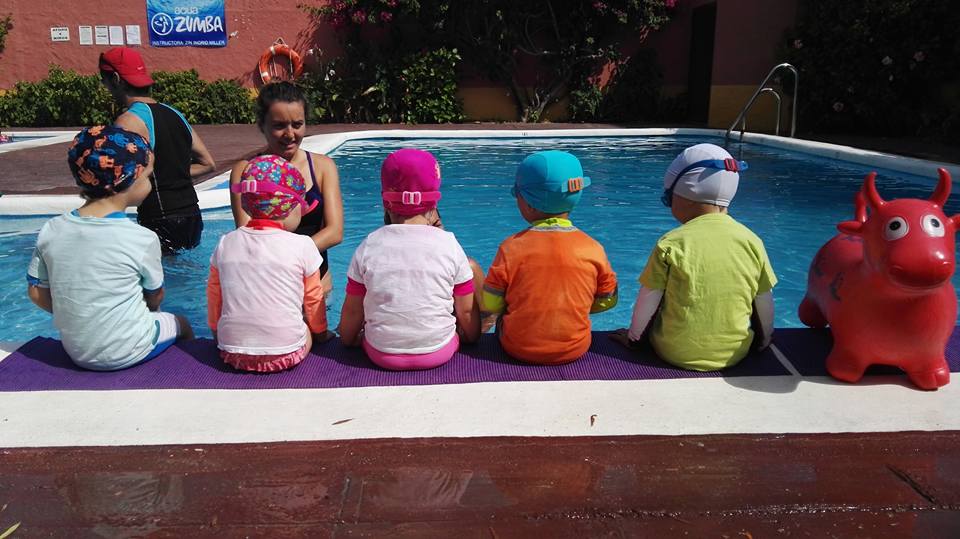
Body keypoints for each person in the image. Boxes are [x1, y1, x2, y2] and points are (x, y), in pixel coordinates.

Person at [26, 125, 194, 371]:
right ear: (129, 179)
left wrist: (80, 320)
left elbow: (36, 293)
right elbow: (155, 295)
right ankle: (185, 369)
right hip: (130, 348)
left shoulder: (52, 229)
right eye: (148, 176)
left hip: (76, 352)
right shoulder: (141, 238)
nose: (150, 183)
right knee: (181, 323)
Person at [611, 143, 777, 371]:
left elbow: (649, 298)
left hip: (673, 352)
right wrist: (764, 340)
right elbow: (763, 299)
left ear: (685, 196)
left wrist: (634, 338)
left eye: (669, 198)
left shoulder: (671, 242)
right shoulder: (752, 241)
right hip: (734, 354)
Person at [338, 148, 482, 371]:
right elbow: (465, 311)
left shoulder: (369, 245)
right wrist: (470, 338)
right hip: (438, 352)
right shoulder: (449, 244)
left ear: (385, 202)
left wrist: (349, 340)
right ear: (434, 203)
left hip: (382, 355)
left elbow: (353, 311)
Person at [481, 150, 618, 365]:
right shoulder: (593, 248)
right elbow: (608, 300)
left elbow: (491, 303)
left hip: (518, 347)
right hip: (575, 348)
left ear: (528, 203)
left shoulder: (510, 248)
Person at [208, 155, 331, 372]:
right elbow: (313, 300)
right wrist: (321, 334)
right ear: (290, 207)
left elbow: (214, 295)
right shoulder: (303, 245)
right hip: (287, 354)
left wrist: (218, 335)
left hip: (231, 354)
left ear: (245, 204)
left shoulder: (225, 243)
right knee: (305, 326)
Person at [230, 82, 343, 296]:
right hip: (269, 286)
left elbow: (335, 232)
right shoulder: (245, 171)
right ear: (262, 125)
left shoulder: (322, 167)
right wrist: (291, 257)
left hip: (315, 285)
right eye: (279, 125)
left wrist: (289, 256)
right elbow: (245, 231)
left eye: (297, 124)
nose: (290, 134)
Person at [99, 47, 216, 253]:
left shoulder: (128, 121)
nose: (105, 87)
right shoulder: (175, 113)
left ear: (116, 79)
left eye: (104, 81)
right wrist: (171, 174)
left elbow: (118, 177)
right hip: (192, 216)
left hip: (159, 218)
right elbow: (208, 164)